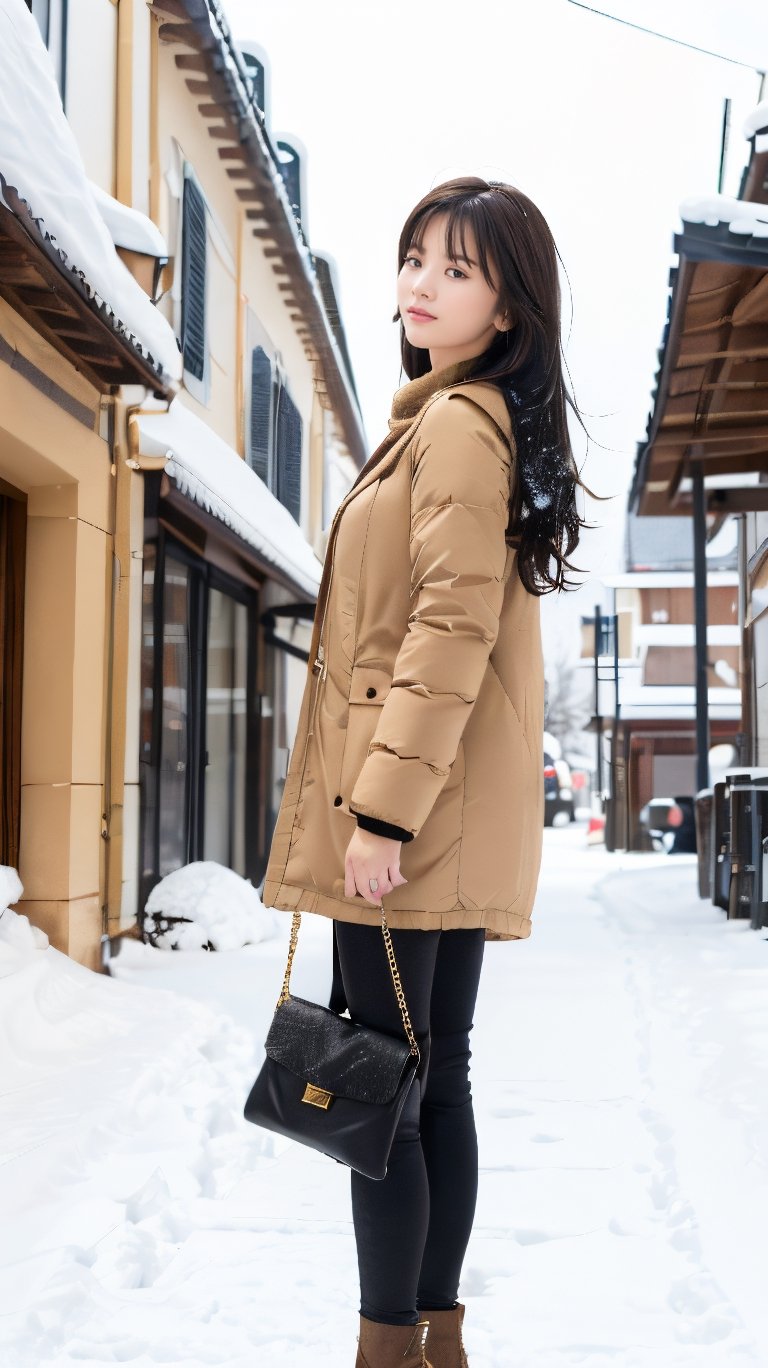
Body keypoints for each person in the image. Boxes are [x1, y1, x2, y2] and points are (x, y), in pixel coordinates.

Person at [262, 176, 595, 1368]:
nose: (420, 283)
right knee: (427, 1079)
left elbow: (446, 629)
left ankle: (386, 1349)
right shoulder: (470, 419)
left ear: (506, 307)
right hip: (448, 808)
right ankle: (434, 1340)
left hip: (413, 814)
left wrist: (380, 814)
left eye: (456, 269)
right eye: (414, 258)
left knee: (377, 1094)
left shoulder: (456, 426)